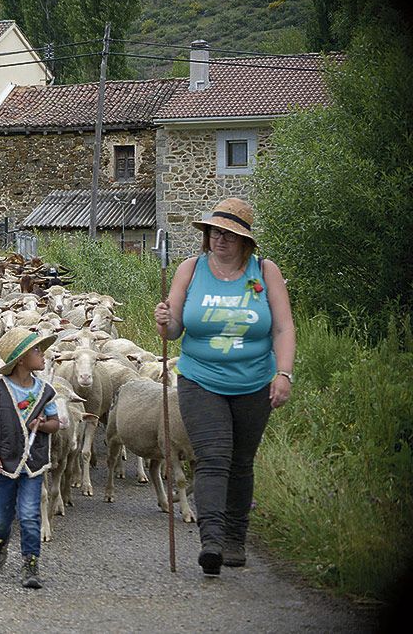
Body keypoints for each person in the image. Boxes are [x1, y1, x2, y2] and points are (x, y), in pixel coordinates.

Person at [153, 197, 294, 576]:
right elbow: (175, 329)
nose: (220, 239)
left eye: (229, 234)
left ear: (245, 240)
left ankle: (235, 537)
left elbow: (282, 327)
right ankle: (211, 540)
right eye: (215, 231)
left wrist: (284, 373)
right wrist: (164, 320)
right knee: (213, 457)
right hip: (201, 379)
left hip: (253, 383)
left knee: (241, 463)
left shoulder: (265, 272)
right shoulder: (190, 269)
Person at [0, 327, 61, 589]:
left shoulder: (45, 391)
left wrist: (44, 423)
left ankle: (31, 562)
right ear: (22, 359)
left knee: (29, 515)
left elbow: (56, 423)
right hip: (3, 462)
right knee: (0, 519)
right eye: (38, 351)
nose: (43, 355)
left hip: (33, 464)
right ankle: (1, 541)